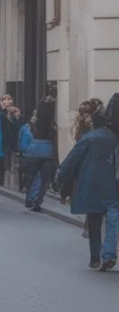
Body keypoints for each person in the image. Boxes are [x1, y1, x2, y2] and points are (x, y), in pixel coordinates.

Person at [58, 99, 119, 270]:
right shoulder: (114, 138)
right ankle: (108, 253)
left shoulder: (90, 137)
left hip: (92, 184)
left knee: (94, 220)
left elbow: (72, 160)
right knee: (113, 218)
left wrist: (61, 177)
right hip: (113, 185)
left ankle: (95, 258)